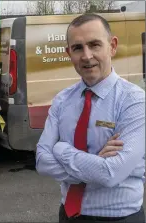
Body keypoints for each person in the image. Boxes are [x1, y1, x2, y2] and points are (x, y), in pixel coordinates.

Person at [35, 13, 145, 223]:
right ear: (69, 53)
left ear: (112, 46)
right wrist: (95, 166)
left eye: (95, 45)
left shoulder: (134, 101)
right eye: (77, 48)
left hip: (119, 218)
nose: (86, 56)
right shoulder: (62, 100)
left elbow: (111, 173)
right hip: (68, 215)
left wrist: (61, 150)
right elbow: (41, 161)